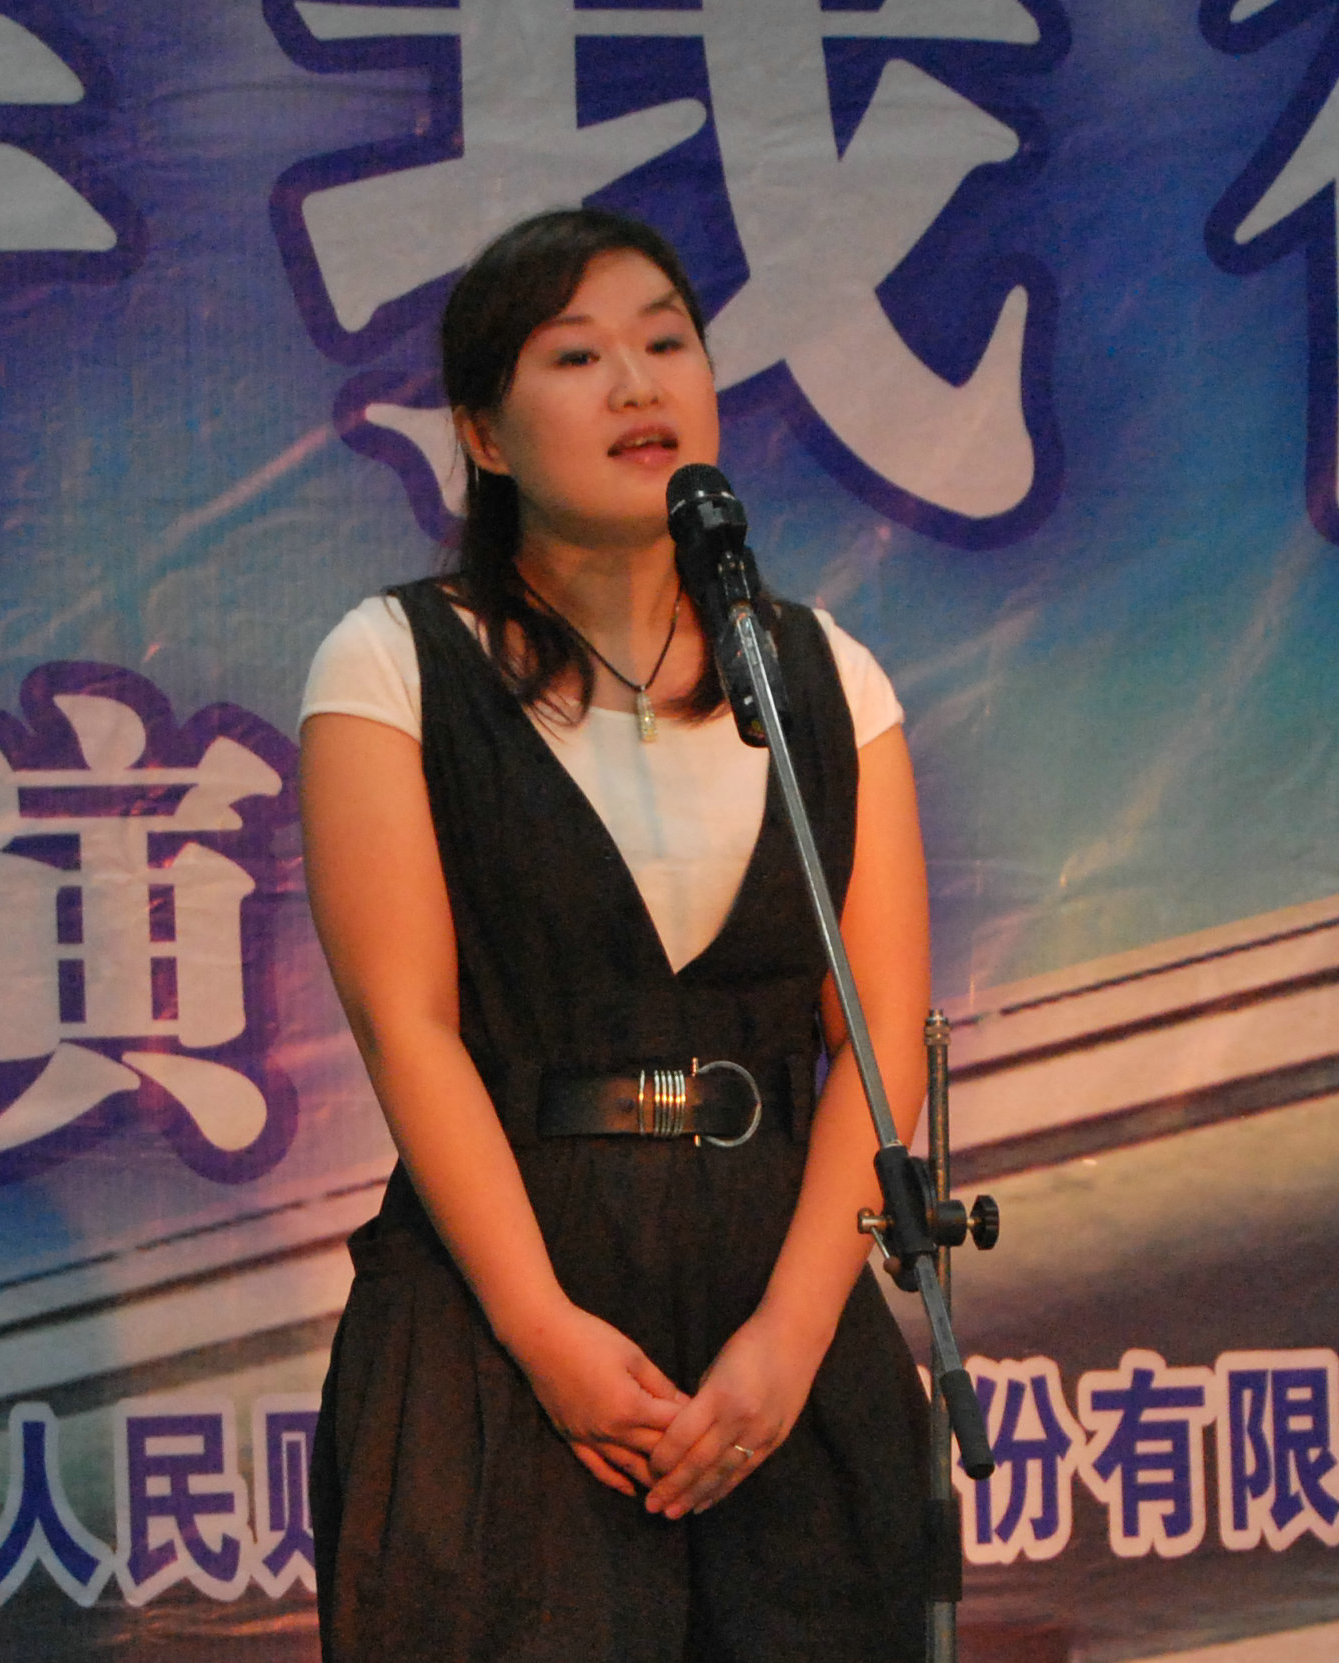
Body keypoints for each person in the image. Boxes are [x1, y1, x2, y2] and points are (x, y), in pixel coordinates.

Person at [298, 206, 933, 1662]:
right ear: (486, 435)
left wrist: (791, 1338)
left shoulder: (824, 675)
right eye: (577, 356)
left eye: (667, 343)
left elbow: (877, 1030)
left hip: (778, 1316)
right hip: (504, 1316)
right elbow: (408, 1026)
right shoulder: (394, 664)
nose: (638, 385)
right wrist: (542, 1332)